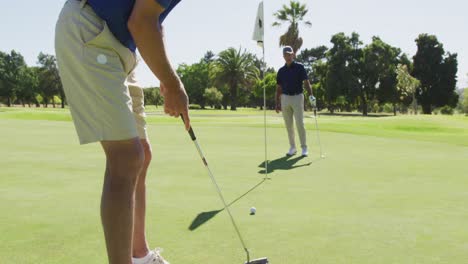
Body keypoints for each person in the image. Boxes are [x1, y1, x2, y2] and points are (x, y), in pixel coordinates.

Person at [55, 0, 190, 263]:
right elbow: (140, 22)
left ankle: (139, 254)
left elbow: (153, 20)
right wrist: (172, 85)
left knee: (143, 153)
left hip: (121, 46)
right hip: (91, 29)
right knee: (126, 157)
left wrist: (168, 77)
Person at [275, 46, 315, 157]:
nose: (288, 56)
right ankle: (292, 147)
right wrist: (277, 103)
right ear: (283, 56)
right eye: (286, 55)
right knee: (289, 125)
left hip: (297, 97)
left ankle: (304, 148)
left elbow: (306, 83)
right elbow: (278, 88)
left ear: (293, 55)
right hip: (285, 98)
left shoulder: (300, 67)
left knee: (300, 123)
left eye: (290, 54)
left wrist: (311, 96)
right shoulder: (281, 71)